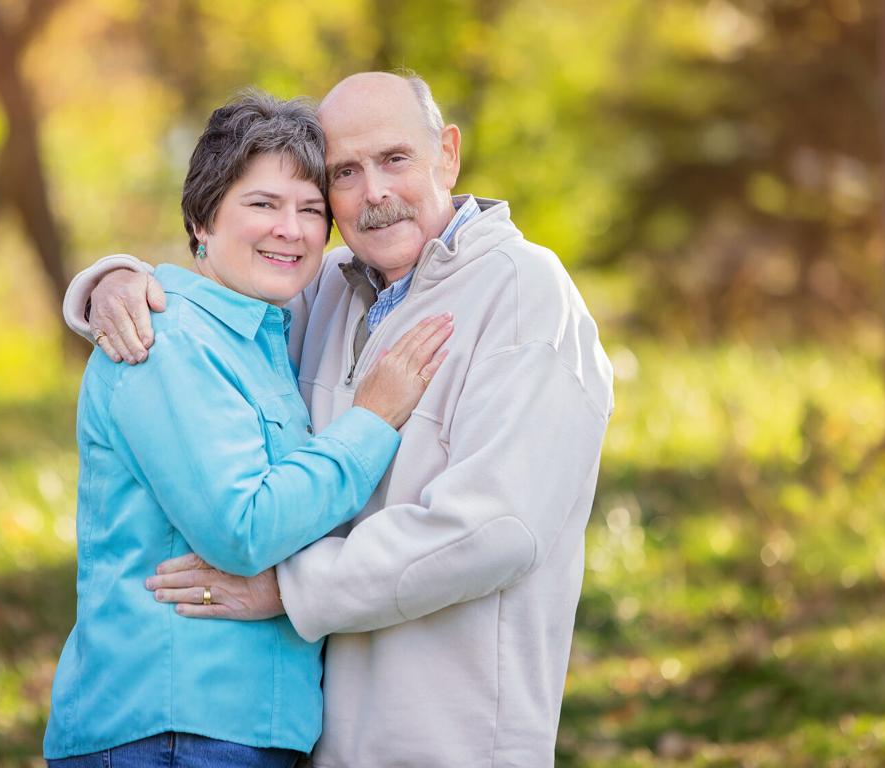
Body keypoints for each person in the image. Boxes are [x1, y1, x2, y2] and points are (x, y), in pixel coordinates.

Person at [64, 72, 614, 767]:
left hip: (450, 736)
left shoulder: (523, 292)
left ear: (446, 154)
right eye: (345, 172)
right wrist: (115, 280)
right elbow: (213, 308)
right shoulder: (329, 292)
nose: (374, 192)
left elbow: (494, 528)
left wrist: (289, 589)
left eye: (394, 160)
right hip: (319, 736)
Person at [44, 90, 452, 768]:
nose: (290, 230)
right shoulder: (166, 340)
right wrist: (371, 421)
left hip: (233, 731)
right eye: (262, 205)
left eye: (311, 210)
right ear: (202, 219)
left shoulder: (268, 341)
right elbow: (245, 528)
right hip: (172, 731)